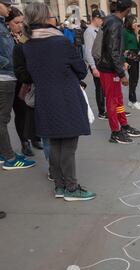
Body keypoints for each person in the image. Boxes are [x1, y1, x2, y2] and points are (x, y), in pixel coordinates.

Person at [18, 2, 95, 200]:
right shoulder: (60, 42)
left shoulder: (27, 44)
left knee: (53, 144)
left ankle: (60, 186)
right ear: (45, 19)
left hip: (44, 99)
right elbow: (81, 69)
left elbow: (27, 74)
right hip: (66, 97)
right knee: (68, 145)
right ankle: (71, 187)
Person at [97, 0, 140, 144]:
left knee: (118, 99)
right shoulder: (115, 23)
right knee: (112, 100)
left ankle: (123, 125)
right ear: (127, 10)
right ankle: (115, 132)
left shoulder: (111, 20)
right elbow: (113, 50)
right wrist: (122, 73)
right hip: (109, 69)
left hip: (110, 67)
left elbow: (115, 49)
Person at [0, 0, 36, 170]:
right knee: (3, 119)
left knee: (19, 113)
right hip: (7, 77)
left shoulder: (13, 32)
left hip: (14, 78)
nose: (20, 25)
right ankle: (9, 157)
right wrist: (10, 64)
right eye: (17, 22)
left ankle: (20, 144)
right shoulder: (2, 28)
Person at [7, 6, 41, 157]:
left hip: (25, 79)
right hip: (10, 79)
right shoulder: (5, 37)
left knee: (29, 110)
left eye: (22, 22)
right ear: (8, 23)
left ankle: (34, 137)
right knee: (17, 113)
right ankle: (24, 142)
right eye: (16, 22)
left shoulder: (25, 36)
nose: (20, 25)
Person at [83, 9, 107, 119]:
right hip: (96, 63)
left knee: (103, 86)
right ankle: (102, 111)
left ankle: (105, 109)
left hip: (101, 62)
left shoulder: (97, 29)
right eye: (101, 19)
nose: (102, 21)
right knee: (100, 87)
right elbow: (88, 51)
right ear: (96, 18)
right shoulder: (89, 31)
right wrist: (93, 67)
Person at [123, 15, 140, 109]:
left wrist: (138, 35)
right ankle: (133, 100)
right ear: (129, 22)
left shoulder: (133, 32)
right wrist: (124, 61)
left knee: (135, 78)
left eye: (136, 22)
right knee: (133, 78)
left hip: (135, 56)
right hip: (129, 56)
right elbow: (123, 47)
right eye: (134, 22)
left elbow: (139, 46)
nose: (136, 24)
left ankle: (131, 100)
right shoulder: (124, 32)